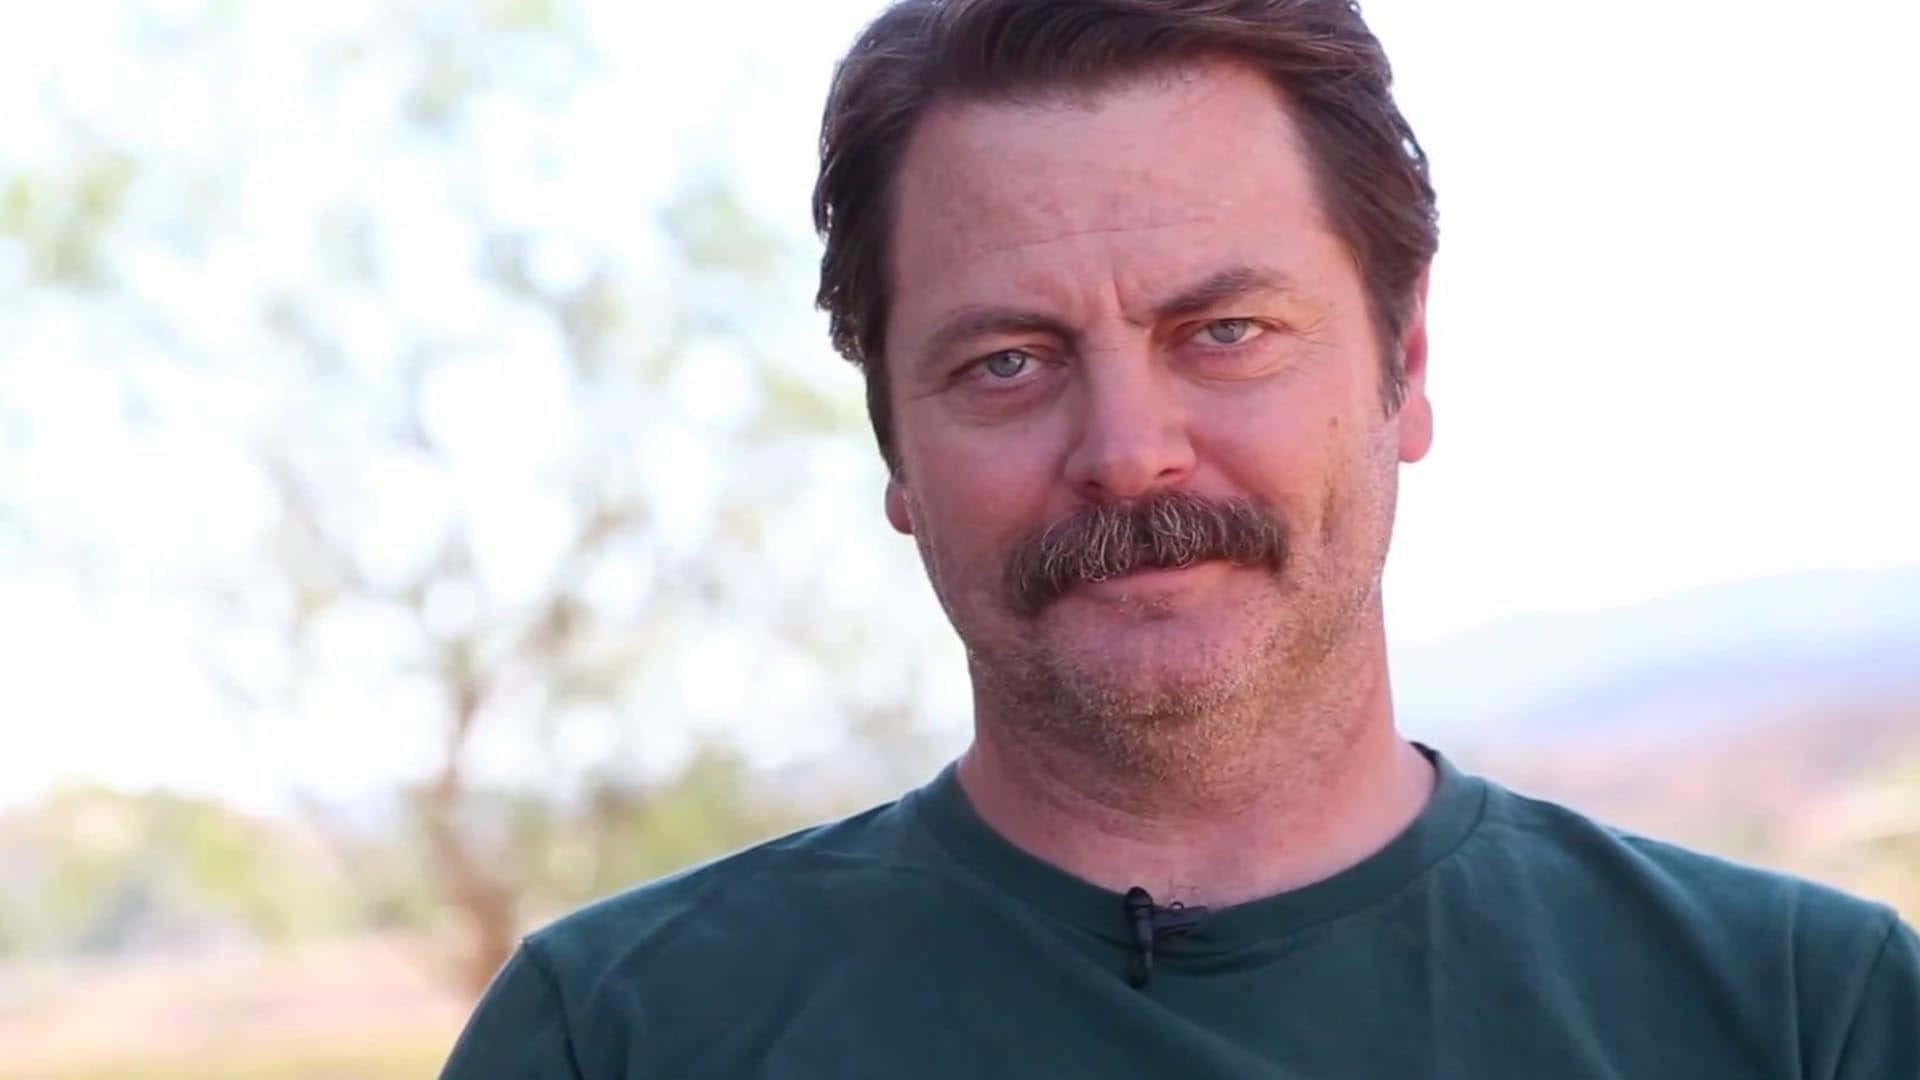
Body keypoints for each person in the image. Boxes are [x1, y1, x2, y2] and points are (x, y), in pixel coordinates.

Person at [439, 1, 1920, 1075]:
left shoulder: (1807, 1018)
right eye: (1006, 361)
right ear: (894, 445)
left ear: (1405, 366)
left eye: (1225, 331)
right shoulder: (619, 1040)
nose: (1129, 450)